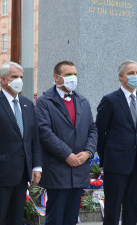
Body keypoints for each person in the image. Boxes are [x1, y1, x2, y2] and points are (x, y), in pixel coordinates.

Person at [0, 61, 42, 225]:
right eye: (14, 77)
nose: (19, 80)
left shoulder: (27, 104)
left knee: (16, 219)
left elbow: (33, 138)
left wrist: (36, 166)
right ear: (4, 79)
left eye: (21, 77)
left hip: (21, 175)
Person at [35, 61, 98, 225]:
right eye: (69, 75)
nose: (73, 78)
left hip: (79, 170)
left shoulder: (83, 101)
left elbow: (92, 129)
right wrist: (66, 154)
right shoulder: (45, 102)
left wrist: (88, 152)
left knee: (71, 218)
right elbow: (44, 132)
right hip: (57, 170)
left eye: (75, 74)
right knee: (55, 218)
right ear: (57, 78)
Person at [96, 60, 137, 225]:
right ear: (121, 77)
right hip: (116, 164)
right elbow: (99, 132)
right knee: (112, 208)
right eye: (130, 73)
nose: (135, 76)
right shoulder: (110, 100)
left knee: (132, 208)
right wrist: (108, 158)